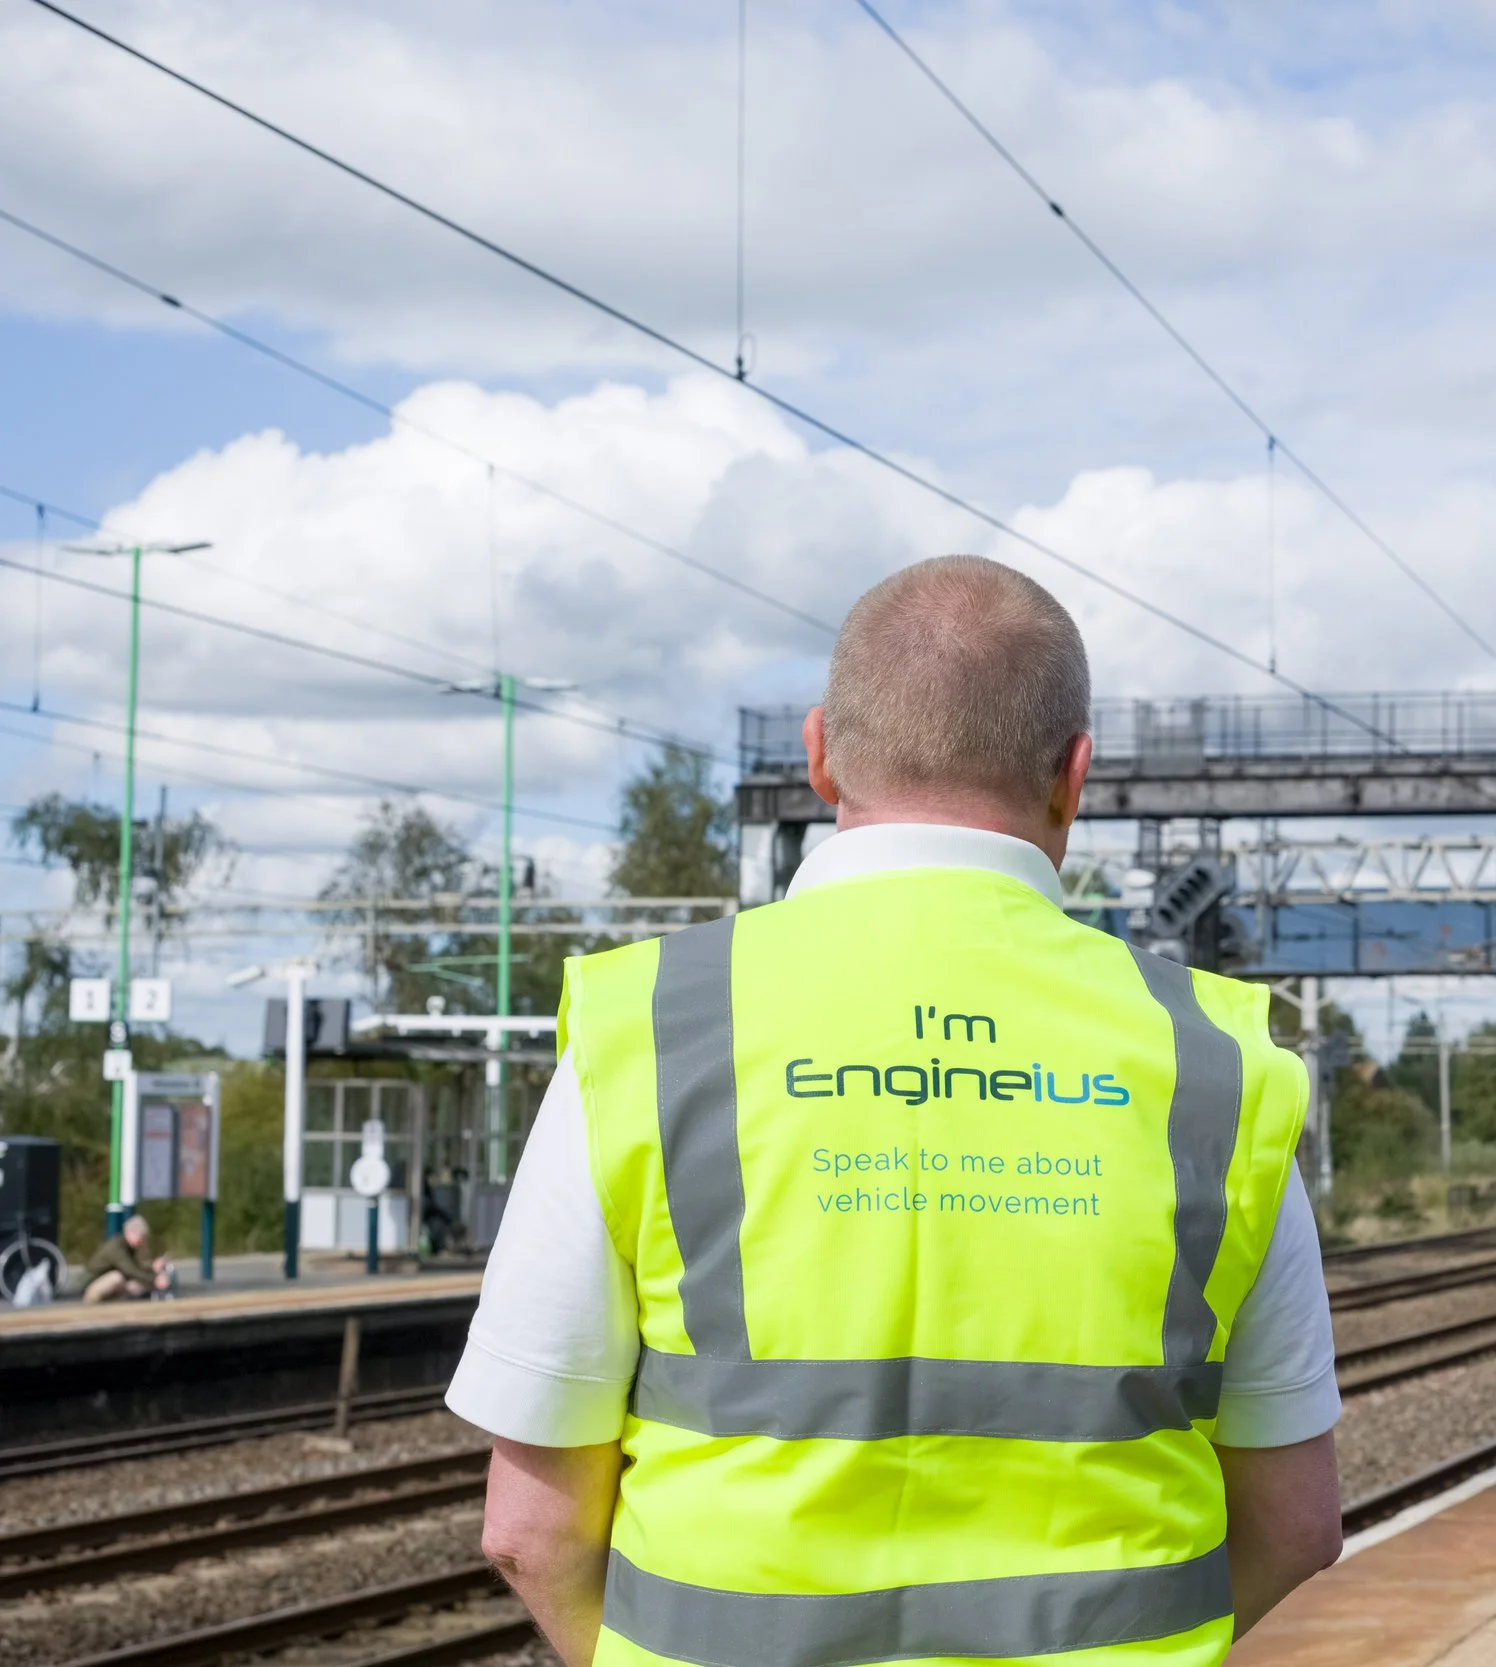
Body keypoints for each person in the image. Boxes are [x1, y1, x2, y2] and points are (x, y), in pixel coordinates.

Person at [448, 556, 1341, 1667]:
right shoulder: (1214, 1059)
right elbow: (1297, 1522)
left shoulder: (650, 1022)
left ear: (820, 752)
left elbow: (529, 1531)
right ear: (1074, 774)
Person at [79, 1213, 170, 1302]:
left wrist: (152, 1268)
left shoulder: (128, 1247)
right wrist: (154, 1280)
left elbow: (137, 1267)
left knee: (134, 1285)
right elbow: (131, 1270)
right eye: (142, 1237)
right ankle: (93, 1304)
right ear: (132, 1233)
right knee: (117, 1278)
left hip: (98, 1285)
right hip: (89, 1290)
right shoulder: (116, 1248)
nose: (143, 1242)